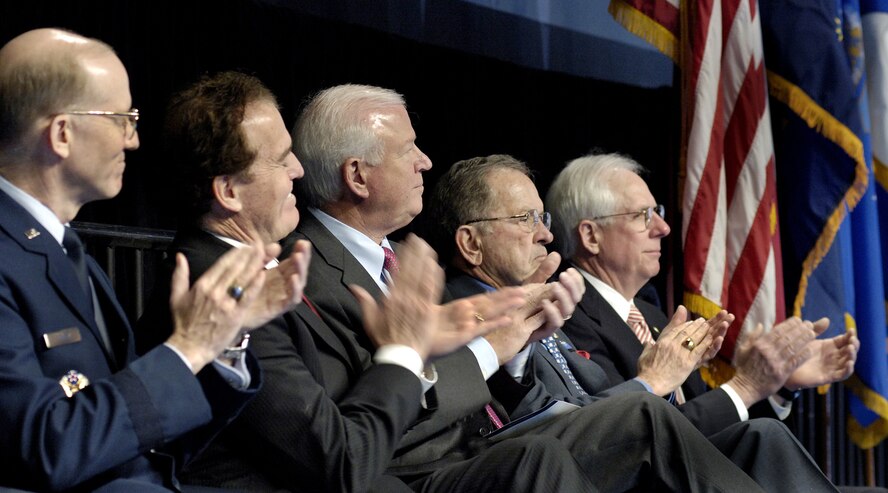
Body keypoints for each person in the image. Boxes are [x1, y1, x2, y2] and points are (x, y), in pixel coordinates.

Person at [282, 84, 778, 492]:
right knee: (598, 432)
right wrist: (496, 345)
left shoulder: (406, 264)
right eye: (408, 149)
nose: (425, 161)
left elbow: (523, 401)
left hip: (487, 446)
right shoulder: (305, 275)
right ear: (358, 176)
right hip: (417, 471)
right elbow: (362, 424)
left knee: (760, 437)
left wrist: (517, 341)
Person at [134, 71, 583, 493]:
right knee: (539, 459)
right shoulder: (216, 291)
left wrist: (436, 343)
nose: (298, 171)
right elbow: (341, 458)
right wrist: (406, 351)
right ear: (229, 191)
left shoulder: (264, 265)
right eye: (279, 160)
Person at [0, 29, 296, 492]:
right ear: (62, 133)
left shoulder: (71, 253)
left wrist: (223, 343)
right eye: (122, 118)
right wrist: (189, 348)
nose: (132, 140)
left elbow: (148, 440)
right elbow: (46, 446)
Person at [546, 152, 859, 433]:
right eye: (643, 215)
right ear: (590, 235)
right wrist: (748, 384)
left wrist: (778, 383)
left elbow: (716, 437)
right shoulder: (565, 318)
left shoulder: (653, 317)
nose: (663, 228)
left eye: (658, 211)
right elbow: (634, 439)